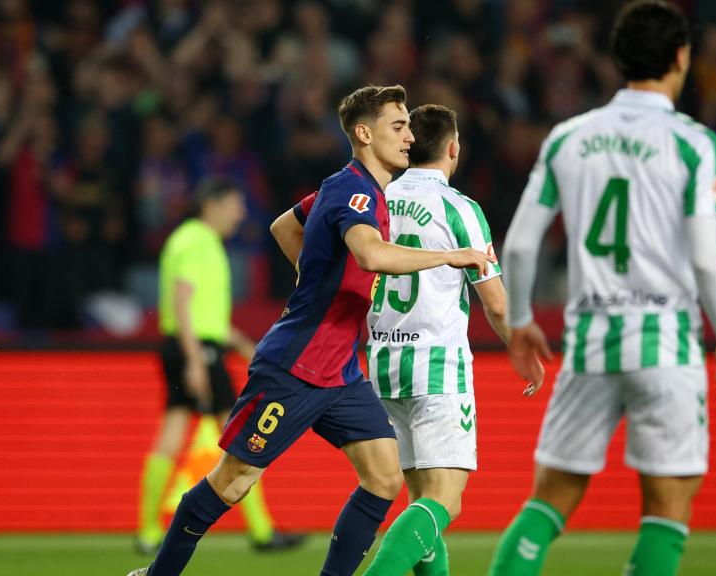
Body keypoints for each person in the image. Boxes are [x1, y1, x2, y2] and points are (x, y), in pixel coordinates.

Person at [127, 84, 492, 576]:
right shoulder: (355, 191)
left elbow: (284, 227)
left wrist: (319, 274)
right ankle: (157, 573)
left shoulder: (354, 187)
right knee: (233, 481)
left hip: (341, 370)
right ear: (364, 134)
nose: (410, 137)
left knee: (384, 478)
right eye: (398, 126)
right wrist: (451, 255)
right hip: (296, 365)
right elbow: (371, 254)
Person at [488, 2, 716, 574]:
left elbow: (522, 244)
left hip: (590, 340)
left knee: (547, 502)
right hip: (666, 341)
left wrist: (521, 319)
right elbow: (707, 254)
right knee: (667, 509)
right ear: (681, 57)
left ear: (617, 58)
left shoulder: (568, 138)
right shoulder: (695, 143)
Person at [360, 104, 544, 576]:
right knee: (444, 501)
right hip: (437, 365)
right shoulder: (460, 208)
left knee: (420, 500)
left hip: (382, 362)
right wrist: (520, 349)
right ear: (453, 148)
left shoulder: (375, 196)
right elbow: (496, 303)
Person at [136, 177, 305, 555]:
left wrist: (243, 345)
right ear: (212, 204)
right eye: (234, 205)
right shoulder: (199, 241)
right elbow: (183, 303)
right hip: (197, 350)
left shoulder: (187, 239)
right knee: (244, 437)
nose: (240, 213)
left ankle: (147, 530)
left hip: (183, 346)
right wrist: (197, 360)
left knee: (173, 431)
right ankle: (262, 531)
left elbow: (198, 312)